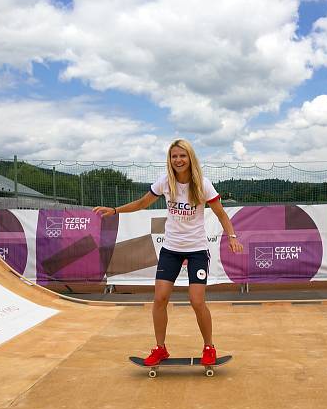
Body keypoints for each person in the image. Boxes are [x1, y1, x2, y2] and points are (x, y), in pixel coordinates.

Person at [94, 138, 243, 366]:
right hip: (171, 249)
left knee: (196, 301)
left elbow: (221, 214)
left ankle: (209, 347)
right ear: (169, 159)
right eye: (174, 156)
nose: (178, 160)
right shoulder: (165, 182)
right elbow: (142, 203)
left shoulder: (203, 184)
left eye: (182, 156)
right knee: (160, 298)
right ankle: (160, 348)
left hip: (196, 250)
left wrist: (232, 236)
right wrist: (115, 210)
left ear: (190, 158)